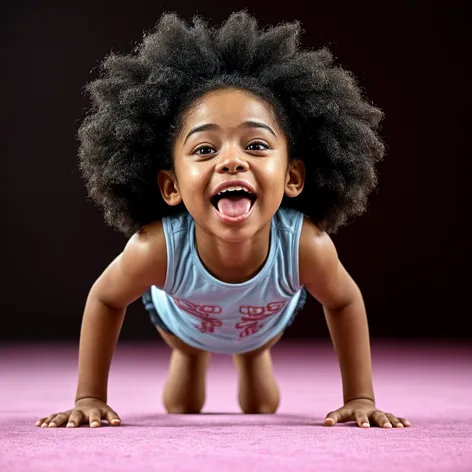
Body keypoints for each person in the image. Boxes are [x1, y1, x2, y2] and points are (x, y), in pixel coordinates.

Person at [36, 11, 410, 429]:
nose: (232, 161)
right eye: (204, 150)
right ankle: (190, 358)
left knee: (260, 404)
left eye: (255, 144)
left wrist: (360, 396)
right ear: (171, 186)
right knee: (183, 403)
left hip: (262, 326)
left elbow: (343, 300)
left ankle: (253, 357)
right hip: (183, 326)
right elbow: (106, 299)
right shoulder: (157, 247)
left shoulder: (305, 245)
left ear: (293, 177)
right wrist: (89, 396)